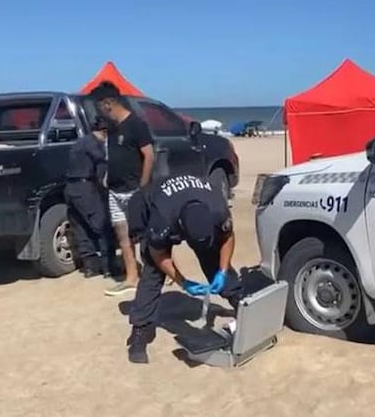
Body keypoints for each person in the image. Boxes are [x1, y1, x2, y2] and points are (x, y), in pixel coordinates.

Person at [124, 173, 243, 364]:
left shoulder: (217, 208)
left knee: (213, 257)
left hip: (187, 202)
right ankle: (140, 330)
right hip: (147, 204)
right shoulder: (163, 218)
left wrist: (221, 271)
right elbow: (159, 254)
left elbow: (228, 237)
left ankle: (240, 301)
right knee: (153, 272)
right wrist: (183, 282)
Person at [88, 81, 155, 297]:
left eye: (98, 106)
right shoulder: (112, 128)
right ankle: (131, 277)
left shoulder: (136, 124)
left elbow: (149, 156)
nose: (98, 111)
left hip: (135, 190)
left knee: (147, 235)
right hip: (115, 191)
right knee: (123, 236)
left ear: (108, 104)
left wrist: (143, 187)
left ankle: (161, 273)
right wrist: (107, 176)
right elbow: (113, 156)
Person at [64, 117, 111, 277]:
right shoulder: (94, 145)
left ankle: (90, 267)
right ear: (104, 132)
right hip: (85, 188)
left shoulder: (81, 142)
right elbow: (101, 168)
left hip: (71, 188)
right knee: (101, 226)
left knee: (82, 228)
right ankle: (108, 267)